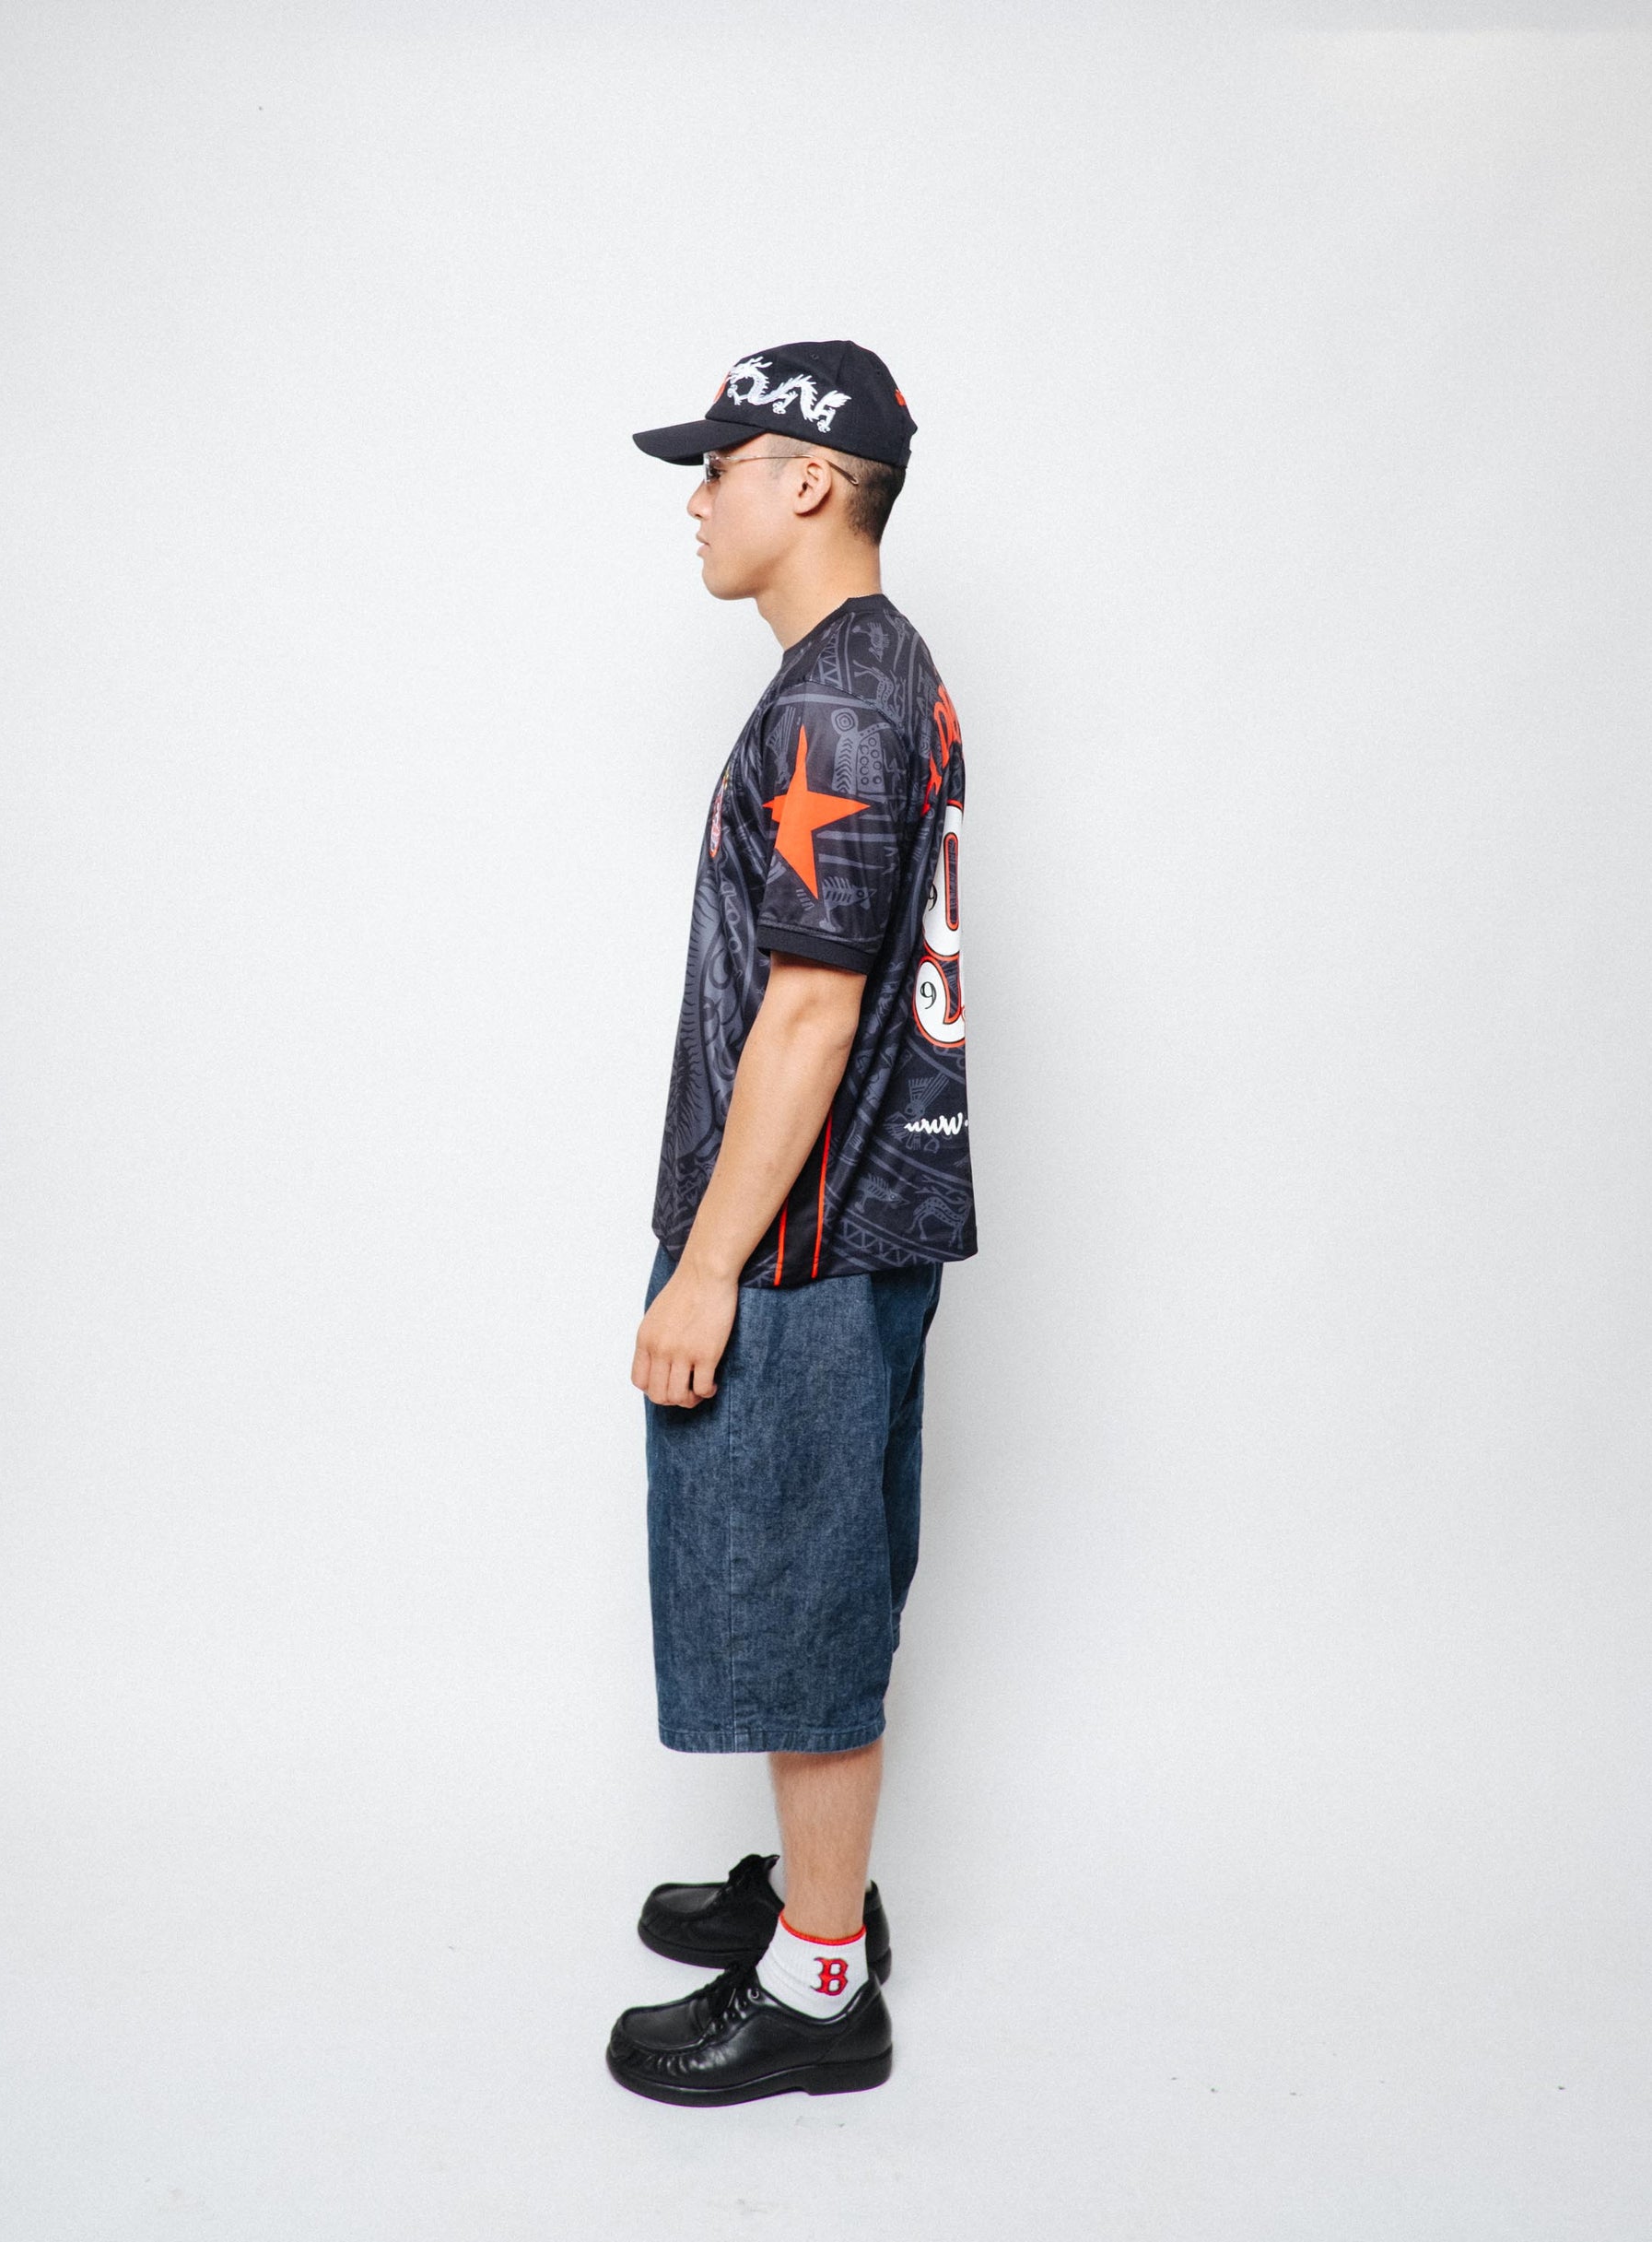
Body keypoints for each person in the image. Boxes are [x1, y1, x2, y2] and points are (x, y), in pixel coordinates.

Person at [608, 341, 976, 2107]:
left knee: (800, 1593)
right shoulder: (874, 673)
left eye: (720, 464)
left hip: (801, 1240)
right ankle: (816, 1887)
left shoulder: (837, 703)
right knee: (814, 1567)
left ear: (810, 480)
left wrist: (704, 1267)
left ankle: (820, 1979)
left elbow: (812, 1011)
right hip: (854, 1224)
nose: (696, 499)